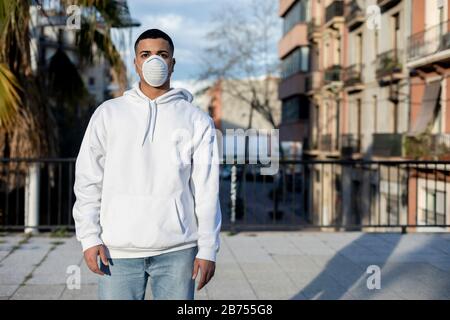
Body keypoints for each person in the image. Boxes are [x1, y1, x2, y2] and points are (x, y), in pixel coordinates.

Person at [72, 29, 222, 300]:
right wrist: (89, 237)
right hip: (117, 250)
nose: (155, 61)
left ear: (173, 63)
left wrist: (208, 248)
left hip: (178, 250)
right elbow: (88, 179)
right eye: (146, 54)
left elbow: (207, 190)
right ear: (136, 63)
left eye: (163, 55)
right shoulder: (108, 113)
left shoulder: (197, 120)